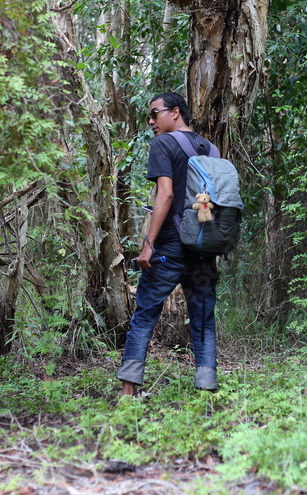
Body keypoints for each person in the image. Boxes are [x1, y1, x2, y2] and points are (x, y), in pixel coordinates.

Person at [117, 92, 219, 396]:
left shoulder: (163, 143)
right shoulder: (212, 149)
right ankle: (206, 390)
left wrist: (149, 243)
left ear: (175, 112)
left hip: (169, 247)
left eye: (154, 114)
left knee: (146, 313)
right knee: (203, 318)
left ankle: (127, 395)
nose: (151, 122)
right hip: (203, 246)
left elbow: (166, 194)